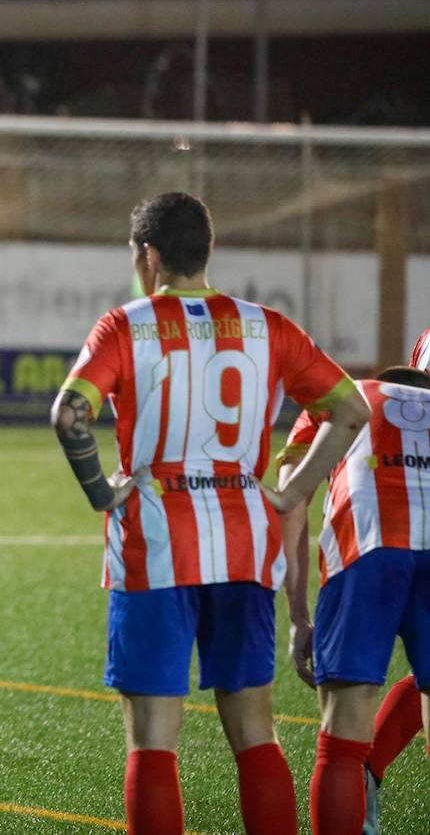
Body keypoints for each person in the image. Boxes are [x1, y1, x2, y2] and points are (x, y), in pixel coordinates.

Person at [50, 192, 368, 835]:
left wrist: (100, 492)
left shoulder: (126, 325)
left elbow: (69, 414)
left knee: (153, 740)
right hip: (245, 541)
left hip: (155, 539)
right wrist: (295, 489)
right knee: (254, 731)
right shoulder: (267, 326)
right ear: (208, 252)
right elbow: (351, 409)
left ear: (149, 255)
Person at [277, 327, 430, 835]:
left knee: (341, 739)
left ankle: (358, 785)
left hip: (365, 552)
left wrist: (298, 615)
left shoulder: (346, 395)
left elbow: (289, 500)